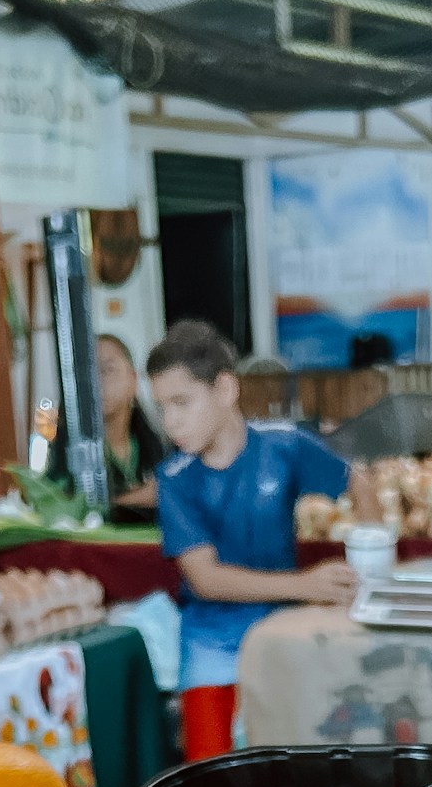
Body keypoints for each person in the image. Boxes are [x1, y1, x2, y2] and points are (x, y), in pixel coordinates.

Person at [149, 319, 375, 759]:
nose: (170, 420)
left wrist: (371, 568)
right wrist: (305, 586)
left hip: (284, 634)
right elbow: (206, 579)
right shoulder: (173, 479)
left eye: (182, 402)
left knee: (302, 764)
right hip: (211, 647)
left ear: (226, 390)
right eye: (161, 407)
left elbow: (359, 483)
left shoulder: (284, 445)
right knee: (213, 779)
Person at [35, 333, 163, 512]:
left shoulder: (160, 448)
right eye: (87, 374)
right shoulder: (67, 455)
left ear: (133, 381)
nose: (96, 383)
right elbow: (57, 508)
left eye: (107, 370)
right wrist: (132, 499)